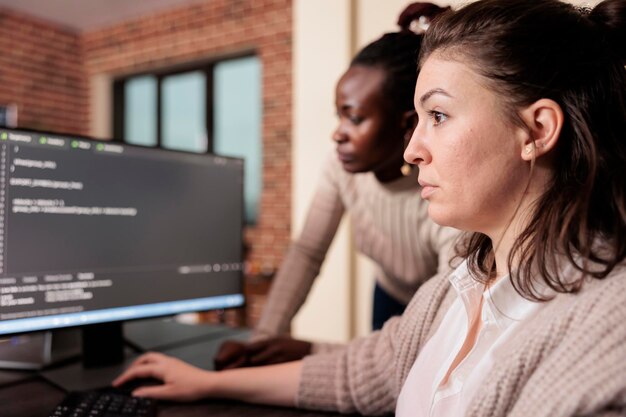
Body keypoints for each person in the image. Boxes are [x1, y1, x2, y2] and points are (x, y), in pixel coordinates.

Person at [113, 0, 626, 415]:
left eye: (440, 115)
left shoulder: (603, 337)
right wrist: (213, 378)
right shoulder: (459, 284)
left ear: (536, 131)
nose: (413, 149)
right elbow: (370, 366)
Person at [213, 2, 457, 370]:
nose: (337, 133)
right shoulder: (341, 166)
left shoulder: (446, 189)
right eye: (338, 114)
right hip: (390, 294)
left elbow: (441, 321)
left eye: (354, 118)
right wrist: (262, 343)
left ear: (407, 124)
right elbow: (308, 251)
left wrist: (310, 352)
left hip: (444, 299)